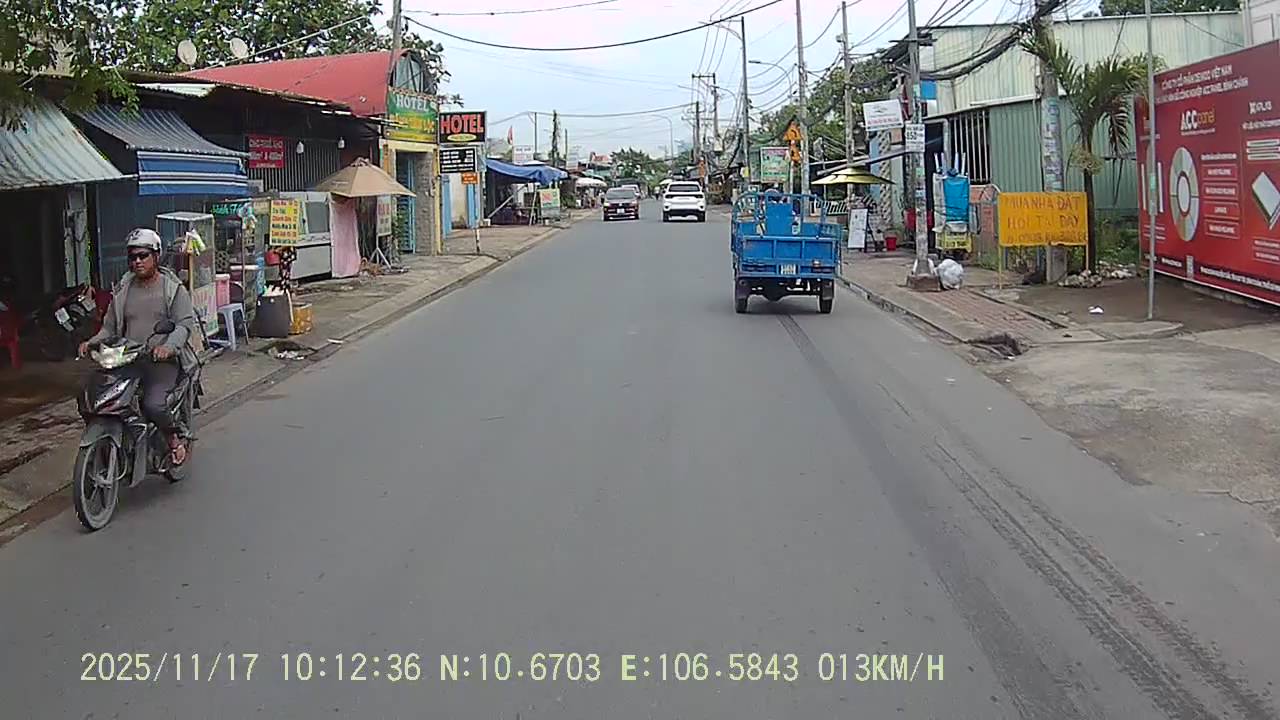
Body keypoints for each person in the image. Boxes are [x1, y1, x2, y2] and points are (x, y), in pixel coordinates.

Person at [80, 228, 198, 465]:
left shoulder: (172, 288)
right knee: (92, 396)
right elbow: (109, 328)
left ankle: (174, 440)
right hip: (127, 360)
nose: (137, 261)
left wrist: (168, 347)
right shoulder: (123, 291)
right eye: (133, 257)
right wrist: (91, 342)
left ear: (156, 256)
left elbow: (184, 325)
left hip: (161, 363)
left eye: (143, 255)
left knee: (153, 404)